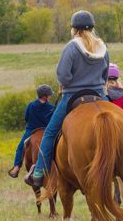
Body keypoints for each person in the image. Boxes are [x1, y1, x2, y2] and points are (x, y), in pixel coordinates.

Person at [26, 10, 109, 187]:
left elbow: (63, 77)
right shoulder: (103, 48)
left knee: (49, 133)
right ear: (93, 28)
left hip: (72, 96)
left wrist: (73, 81)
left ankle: (39, 172)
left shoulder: (71, 47)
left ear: (74, 29)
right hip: (100, 95)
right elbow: (106, 74)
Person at [8, 85, 55, 178]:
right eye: (49, 95)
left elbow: (26, 118)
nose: (50, 96)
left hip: (31, 130)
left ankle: (16, 168)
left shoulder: (31, 105)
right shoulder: (51, 107)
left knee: (20, 147)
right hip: (46, 131)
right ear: (45, 96)